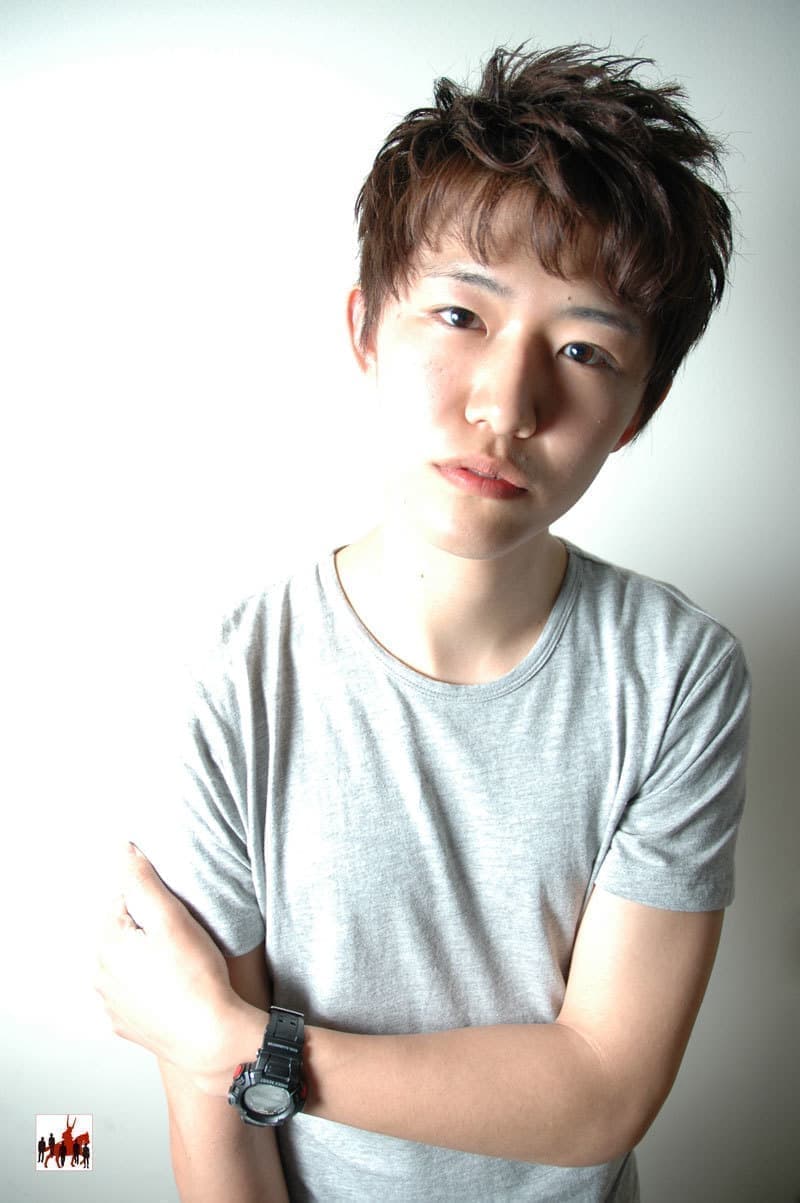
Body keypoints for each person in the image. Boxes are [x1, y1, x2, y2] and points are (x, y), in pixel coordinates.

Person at [95, 42, 750, 1202]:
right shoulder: (236, 676)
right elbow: (219, 1138)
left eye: (583, 349)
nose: (506, 403)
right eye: (458, 313)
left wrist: (242, 1044)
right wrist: (219, 1054)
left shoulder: (674, 672)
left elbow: (602, 1095)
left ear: (633, 411)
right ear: (364, 329)